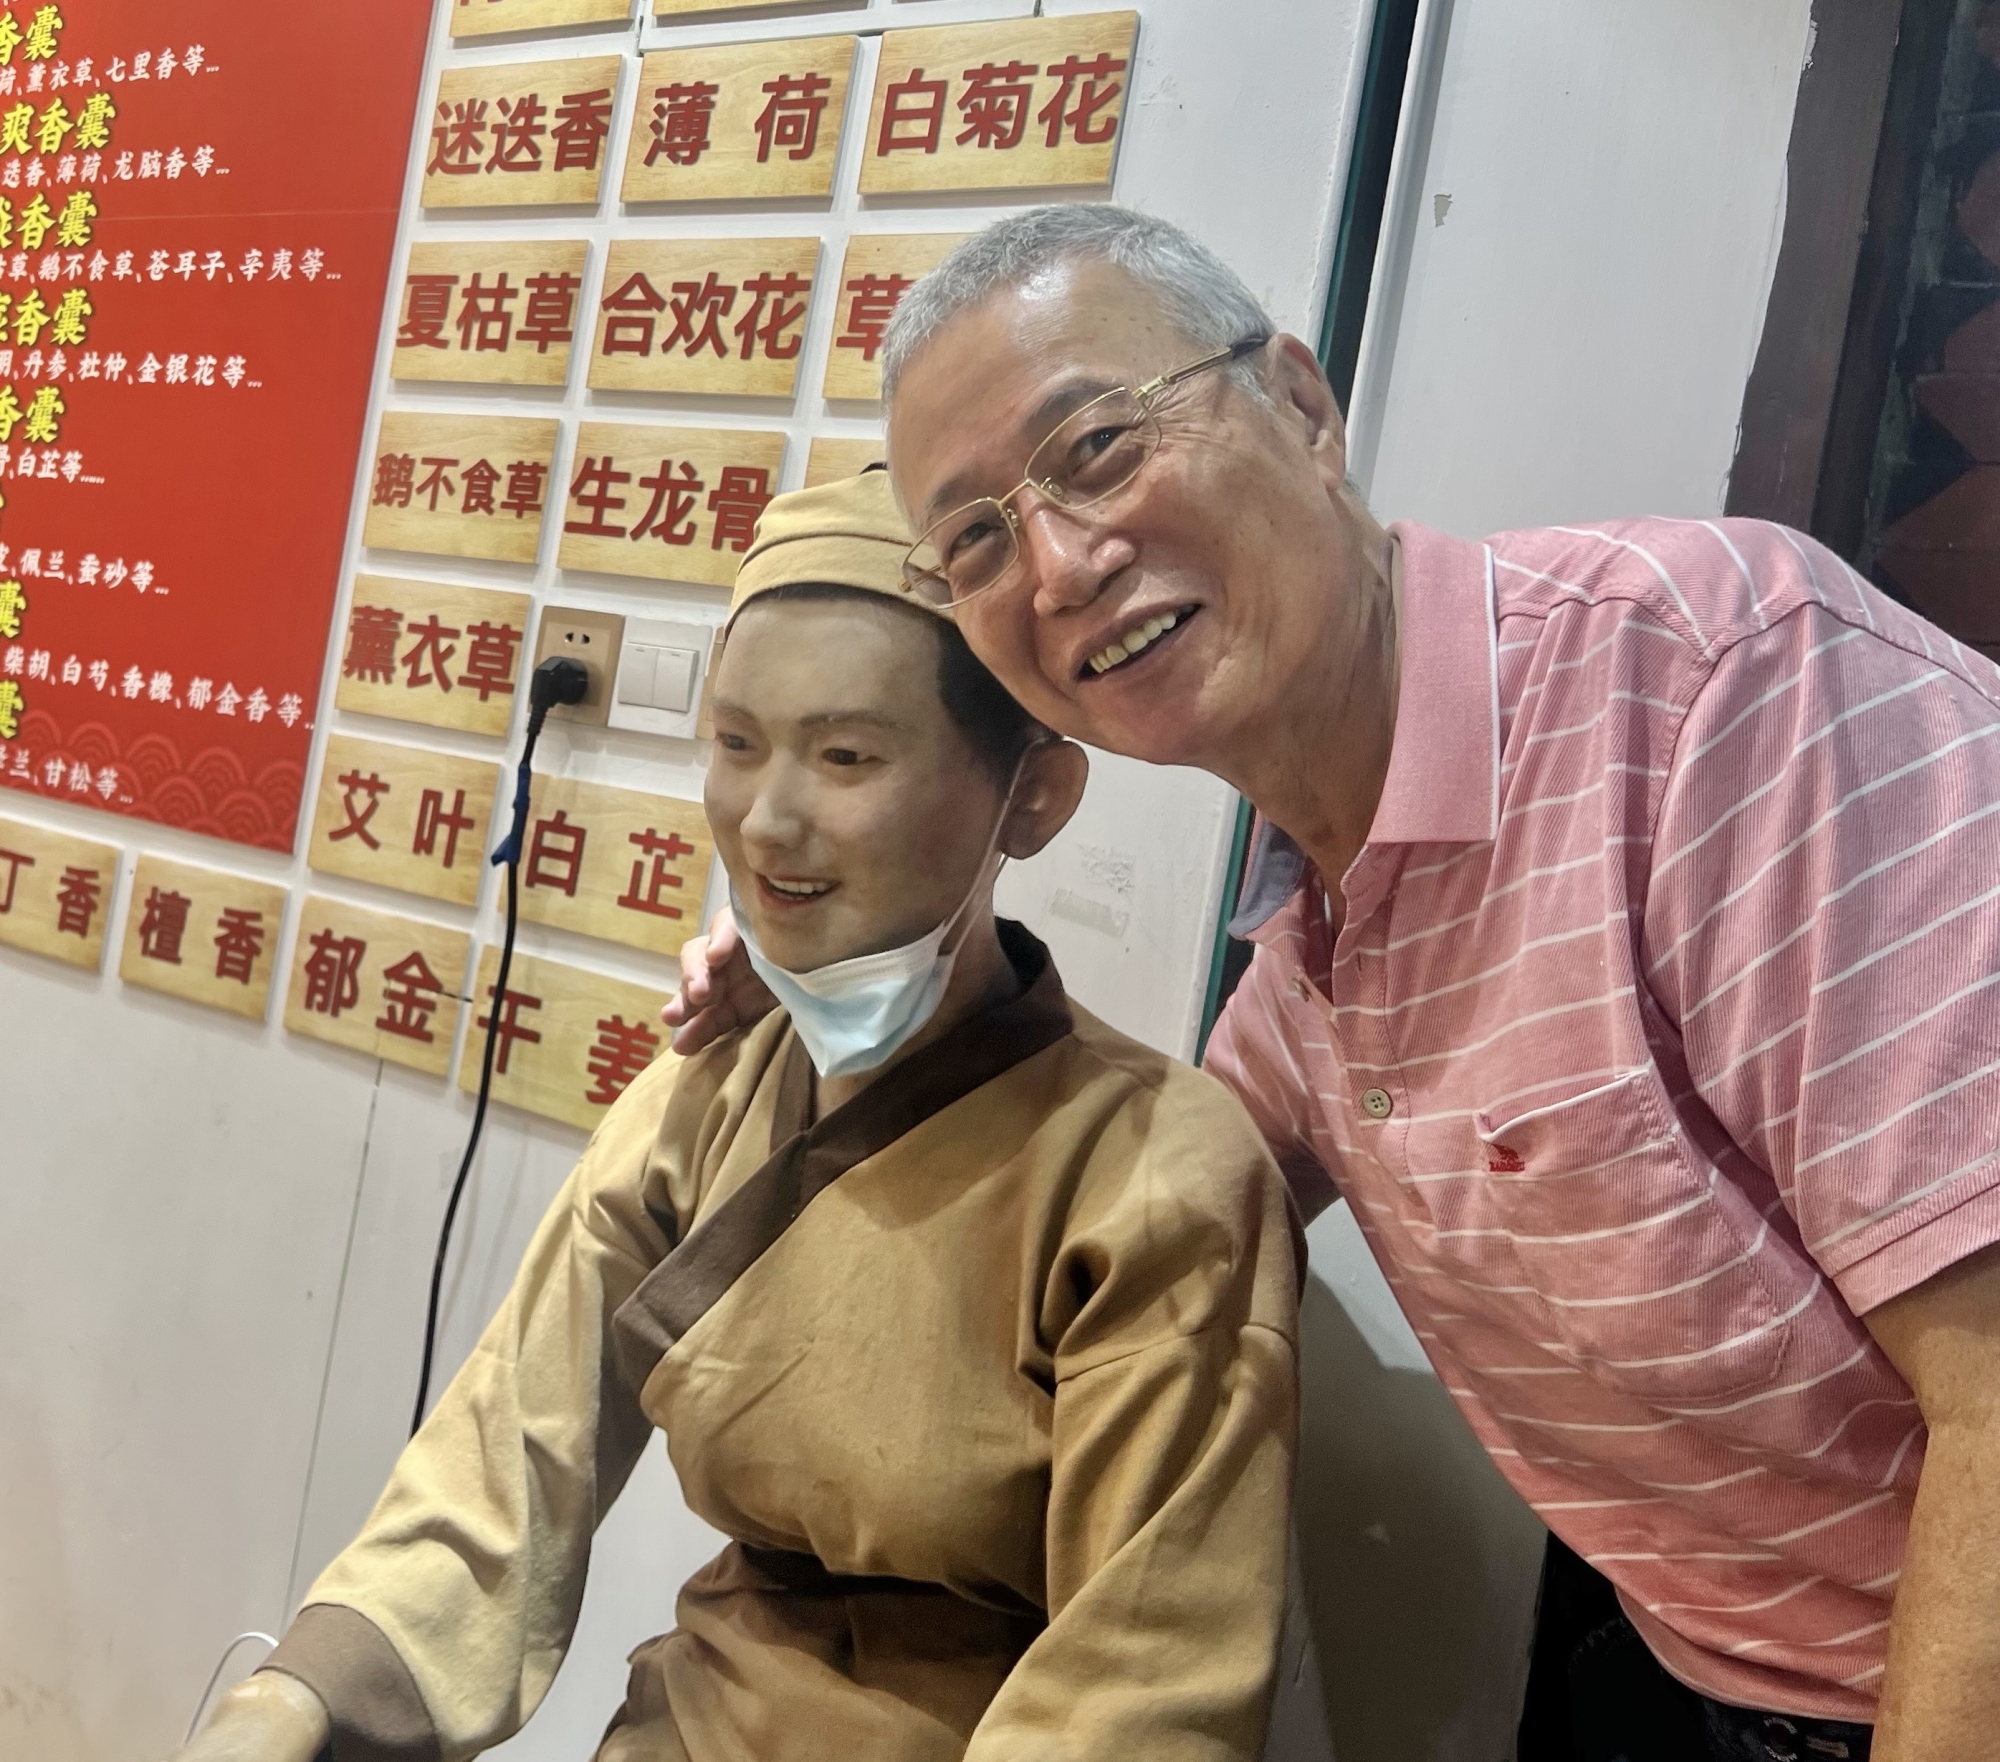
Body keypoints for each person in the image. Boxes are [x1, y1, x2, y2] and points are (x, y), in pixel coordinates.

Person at [666, 206, 2000, 1762]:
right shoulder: (1305, 932)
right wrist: (862, 1015)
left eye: (1098, 447)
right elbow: (1109, 1220)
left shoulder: (1718, 683)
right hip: (1696, 1681)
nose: (1061, 565)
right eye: (975, 539)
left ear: (1301, 405)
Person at [169, 470, 1302, 1762]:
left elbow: (1145, 1685)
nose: (767, 819)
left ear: (1031, 796)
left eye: (846, 756)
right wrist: (295, 1698)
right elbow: (501, 1475)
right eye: (736, 742)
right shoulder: (709, 1091)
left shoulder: (1153, 1169)